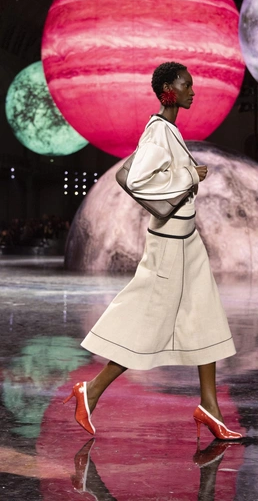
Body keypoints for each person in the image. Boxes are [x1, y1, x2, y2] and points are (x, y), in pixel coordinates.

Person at [63, 62, 242, 440]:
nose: (193, 91)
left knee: (205, 315)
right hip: (170, 244)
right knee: (149, 322)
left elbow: (132, 174)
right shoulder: (159, 131)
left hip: (187, 241)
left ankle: (209, 407)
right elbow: (136, 179)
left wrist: (184, 176)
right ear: (168, 90)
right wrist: (189, 176)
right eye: (186, 85)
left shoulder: (167, 130)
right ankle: (91, 390)